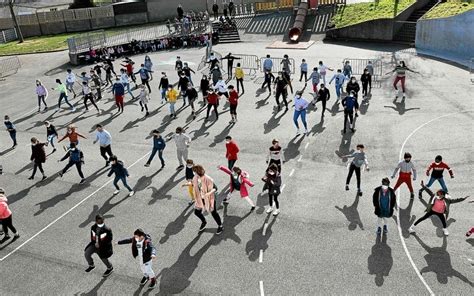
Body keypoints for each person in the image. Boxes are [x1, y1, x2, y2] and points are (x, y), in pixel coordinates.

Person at [192, 164, 223, 234]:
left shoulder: (208, 179)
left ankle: (220, 226)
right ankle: (204, 221)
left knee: (214, 213)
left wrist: (208, 194)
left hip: (209, 198)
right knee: (196, 212)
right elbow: (195, 184)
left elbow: (215, 188)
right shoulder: (196, 177)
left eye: (195, 171)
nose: (194, 173)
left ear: (198, 172)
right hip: (200, 198)